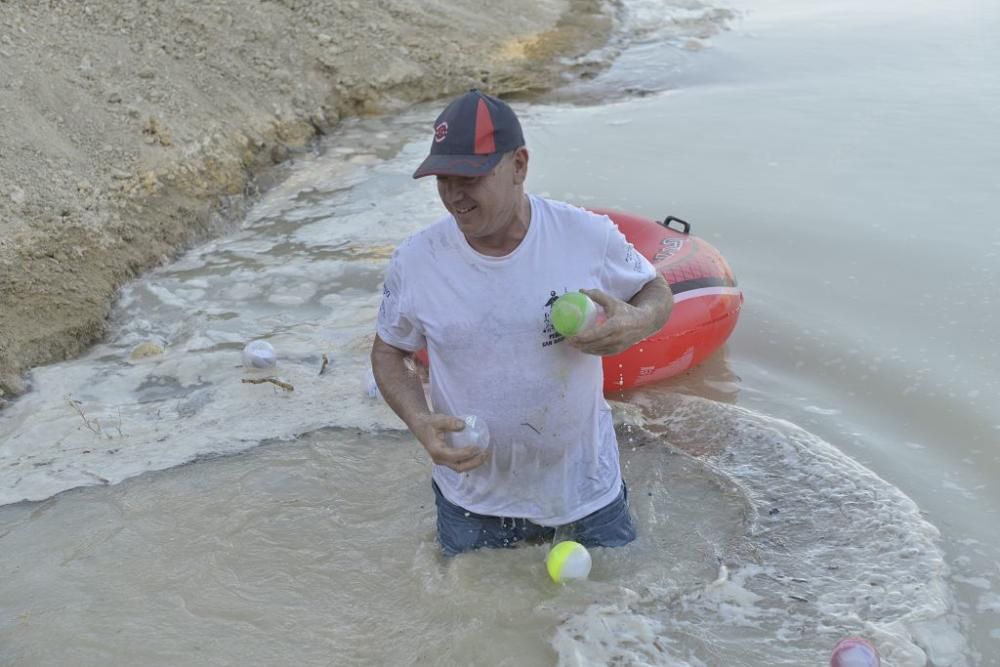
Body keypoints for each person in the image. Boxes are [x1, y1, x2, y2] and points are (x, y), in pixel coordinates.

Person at [371, 89, 673, 556]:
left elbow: (655, 290)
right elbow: (390, 350)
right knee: (477, 620)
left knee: (618, 611)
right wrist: (418, 419)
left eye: (469, 177)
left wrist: (639, 319)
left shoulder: (583, 236)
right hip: (472, 502)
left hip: (587, 494)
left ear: (519, 166)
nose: (454, 195)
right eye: (443, 178)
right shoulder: (416, 262)